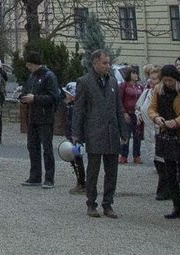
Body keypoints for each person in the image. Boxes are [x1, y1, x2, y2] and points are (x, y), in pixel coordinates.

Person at [70, 49, 125, 218]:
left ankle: (108, 204)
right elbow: (78, 110)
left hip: (112, 132)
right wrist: (76, 134)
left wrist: (123, 131)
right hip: (94, 132)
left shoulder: (113, 82)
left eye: (108, 63)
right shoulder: (84, 82)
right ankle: (91, 203)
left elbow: (118, 109)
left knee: (112, 172)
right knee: (93, 170)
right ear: (95, 63)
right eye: (104, 63)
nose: (107, 66)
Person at [149, 64, 180, 220]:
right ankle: (176, 206)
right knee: (169, 172)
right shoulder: (159, 90)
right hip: (165, 134)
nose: (168, 83)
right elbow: (152, 109)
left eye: (170, 80)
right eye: (165, 80)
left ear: (176, 79)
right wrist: (156, 118)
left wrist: (175, 122)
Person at [18, 49, 61, 188]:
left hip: (45, 117)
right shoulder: (32, 77)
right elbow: (27, 91)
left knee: (47, 149)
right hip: (32, 117)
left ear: (34, 64)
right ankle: (35, 176)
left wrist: (35, 98)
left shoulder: (49, 76)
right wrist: (23, 97)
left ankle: (49, 178)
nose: (27, 67)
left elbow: (54, 97)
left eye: (29, 64)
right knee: (32, 147)